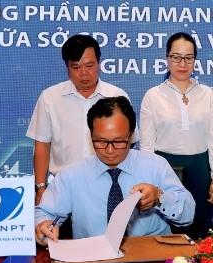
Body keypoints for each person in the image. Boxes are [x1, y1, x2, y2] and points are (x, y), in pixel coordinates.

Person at [34, 96, 195, 243]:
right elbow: (43, 214)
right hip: (92, 259)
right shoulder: (71, 176)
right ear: (91, 136)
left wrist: (159, 197)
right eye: (101, 141)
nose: (110, 151)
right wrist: (43, 226)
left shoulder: (155, 166)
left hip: (150, 257)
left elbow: (188, 215)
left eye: (118, 142)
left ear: (131, 135)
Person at [139, 32, 213, 240]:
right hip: (165, 171)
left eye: (188, 58)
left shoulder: (207, 94)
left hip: (200, 170)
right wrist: (151, 183)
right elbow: (146, 148)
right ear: (167, 58)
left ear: (195, 60)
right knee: (166, 239)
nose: (182, 64)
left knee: (199, 239)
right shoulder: (153, 96)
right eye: (176, 57)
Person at [26, 35, 133, 206]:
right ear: (67, 67)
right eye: (76, 67)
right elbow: (42, 145)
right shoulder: (50, 97)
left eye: (89, 66)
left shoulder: (117, 96)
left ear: (99, 63)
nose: (83, 73)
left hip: (108, 187)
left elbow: (129, 143)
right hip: (62, 188)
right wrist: (40, 188)